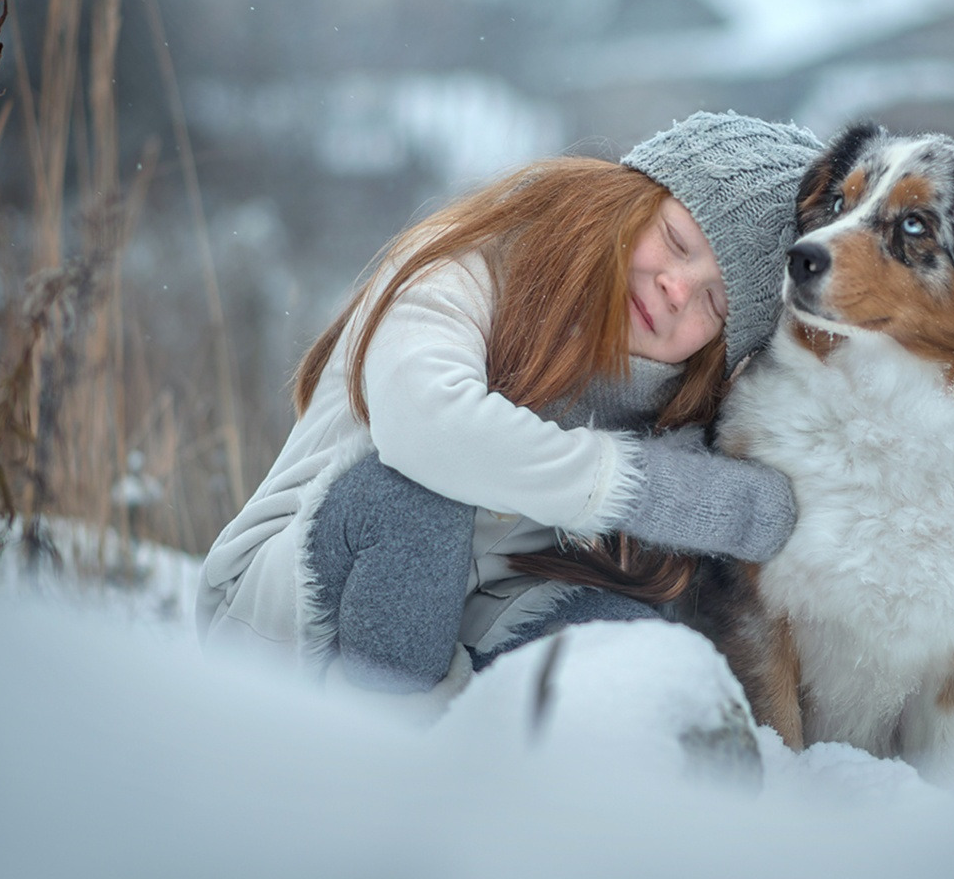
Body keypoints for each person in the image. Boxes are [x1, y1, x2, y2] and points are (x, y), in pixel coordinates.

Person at [196, 112, 822, 707]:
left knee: (642, 654)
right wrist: (649, 490)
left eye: (714, 303)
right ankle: (380, 763)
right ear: (627, 199)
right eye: (676, 240)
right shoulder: (470, 263)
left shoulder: (679, 407)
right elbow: (428, 430)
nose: (677, 289)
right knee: (414, 499)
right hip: (296, 614)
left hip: (481, 623)